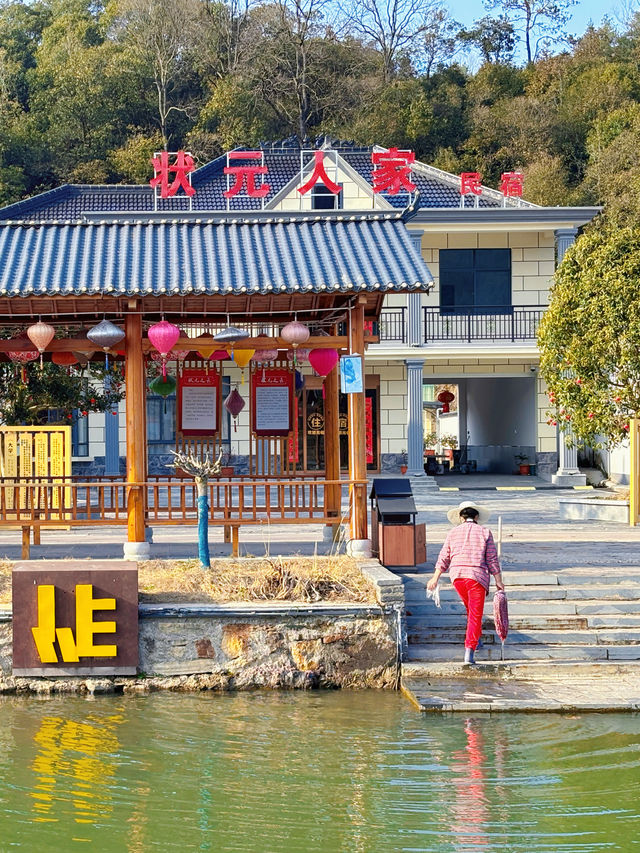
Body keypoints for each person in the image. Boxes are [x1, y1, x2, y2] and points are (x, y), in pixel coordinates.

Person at [426, 501, 505, 665]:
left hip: (457, 577)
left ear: (461, 517)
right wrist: (498, 581)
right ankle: (469, 652)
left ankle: (477, 639)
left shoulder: (453, 533)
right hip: (477, 577)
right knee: (475, 614)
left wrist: (435, 578)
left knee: (471, 610)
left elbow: (444, 557)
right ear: (476, 517)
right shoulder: (485, 532)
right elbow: (491, 559)